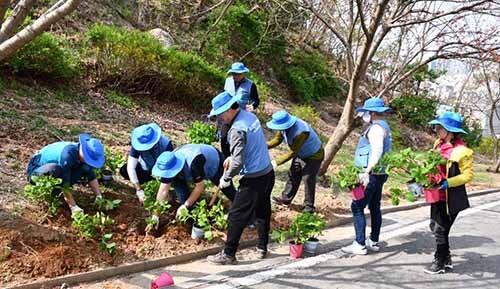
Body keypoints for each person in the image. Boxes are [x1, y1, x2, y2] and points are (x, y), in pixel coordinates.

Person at [206, 91, 275, 265]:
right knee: (262, 210)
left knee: (236, 215)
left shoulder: (237, 129)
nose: (220, 118)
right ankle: (262, 247)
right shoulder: (249, 116)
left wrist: (226, 178)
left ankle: (228, 254)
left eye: (221, 114)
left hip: (253, 179)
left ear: (229, 109)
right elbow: (247, 147)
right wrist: (232, 156)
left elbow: (238, 161)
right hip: (267, 172)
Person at [424, 111, 473, 274]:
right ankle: (446, 258)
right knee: (436, 226)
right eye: (436, 127)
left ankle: (439, 261)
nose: (436, 130)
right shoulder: (438, 144)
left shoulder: (462, 151)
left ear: (450, 130)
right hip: (436, 193)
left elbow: (468, 175)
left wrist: (448, 183)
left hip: (450, 197)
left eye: (440, 127)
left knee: (440, 229)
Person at [342, 98, 392, 255]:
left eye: (366, 112)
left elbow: (376, 151)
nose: (364, 115)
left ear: (371, 113)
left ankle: (359, 244)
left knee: (357, 206)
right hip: (380, 173)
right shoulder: (384, 126)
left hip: (370, 174)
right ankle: (373, 241)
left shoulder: (376, 129)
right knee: (375, 207)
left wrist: (366, 172)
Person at [150, 144, 236, 224]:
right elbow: (163, 191)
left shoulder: (194, 163)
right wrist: (155, 215)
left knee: (227, 188)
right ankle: (191, 220)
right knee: (182, 194)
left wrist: (185, 206)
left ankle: (245, 212)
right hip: (187, 168)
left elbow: (200, 187)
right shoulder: (167, 165)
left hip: (213, 162)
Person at [26, 134, 105, 216]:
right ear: (83, 151)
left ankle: (58, 190)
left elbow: (91, 175)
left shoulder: (80, 155)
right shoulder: (67, 155)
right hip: (37, 171)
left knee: (85, 168)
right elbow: (65, 184)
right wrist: (73, 206)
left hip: (60, 171)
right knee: (54, 168)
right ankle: (53, 193)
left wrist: (98, 195)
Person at [267, 110, 324, 212]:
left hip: (314, 155)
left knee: (308, 179)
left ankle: (309, 207)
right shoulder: (283, 126)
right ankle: (285, 199)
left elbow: (292, 152)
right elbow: (277, 139)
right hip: (301, 153)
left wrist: (275, 163)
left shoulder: (301, 132)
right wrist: (264, 146)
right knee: (293, 174)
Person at [119, 122, 174, 204]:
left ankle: (163, 188)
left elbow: (169, 169)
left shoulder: (166, 145)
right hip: (146, 170)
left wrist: (164, 189)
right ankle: (144, 184)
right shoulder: (137, 143)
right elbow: (131, 167)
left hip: (162, 172)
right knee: (124, 170)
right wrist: (139, 190)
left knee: (168, 185)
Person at [219, 62, 260, 158]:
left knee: (238, 138)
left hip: (241, 116)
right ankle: (226, 158)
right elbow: (223, 96)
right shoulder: (227, 81)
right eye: (233, 73)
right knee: (224, 137)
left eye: (237, 74)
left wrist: (252, 106)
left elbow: (256, 100)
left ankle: (238, 159)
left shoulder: (251, 85)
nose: (235, 76)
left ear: (243, 73)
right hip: (227, 114)